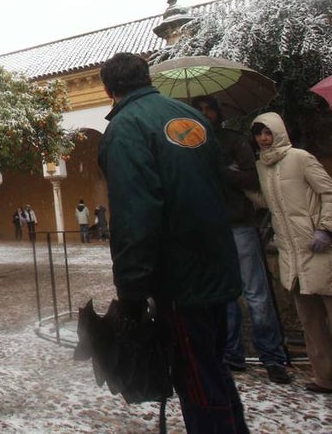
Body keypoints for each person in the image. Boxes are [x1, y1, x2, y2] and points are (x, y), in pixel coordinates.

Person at [97, 53, 249, 433]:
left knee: (196, 378)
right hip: (217, 264)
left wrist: (132, 291)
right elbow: (219, 186)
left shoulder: (126, 127)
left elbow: (135, 214)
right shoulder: (193, 118)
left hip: (179, 277)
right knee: (213, 368)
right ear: (147, 78)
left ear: (108, 88)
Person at [251, 112, 332, 405]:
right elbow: (269, 203)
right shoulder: (262, 167)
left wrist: (326, 228)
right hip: (292, 252)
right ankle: (326, 377)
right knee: (310, 322)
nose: (263, 139)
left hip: (320, 248)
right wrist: (240, 188)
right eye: (258, 134)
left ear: (279, 132)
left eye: (267, 133)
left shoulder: (300, 158)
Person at [191, 95, 291, 385]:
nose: (205, 114)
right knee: (224, 296)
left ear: (218, 112)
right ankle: (231, 353)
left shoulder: (233, 141)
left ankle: (271, 356)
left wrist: (221, 173)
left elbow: (252, 178)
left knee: (256, 293)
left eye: (209, 109)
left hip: (238, 224)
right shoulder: (192, 145)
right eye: (199, 110)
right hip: (209, 227)